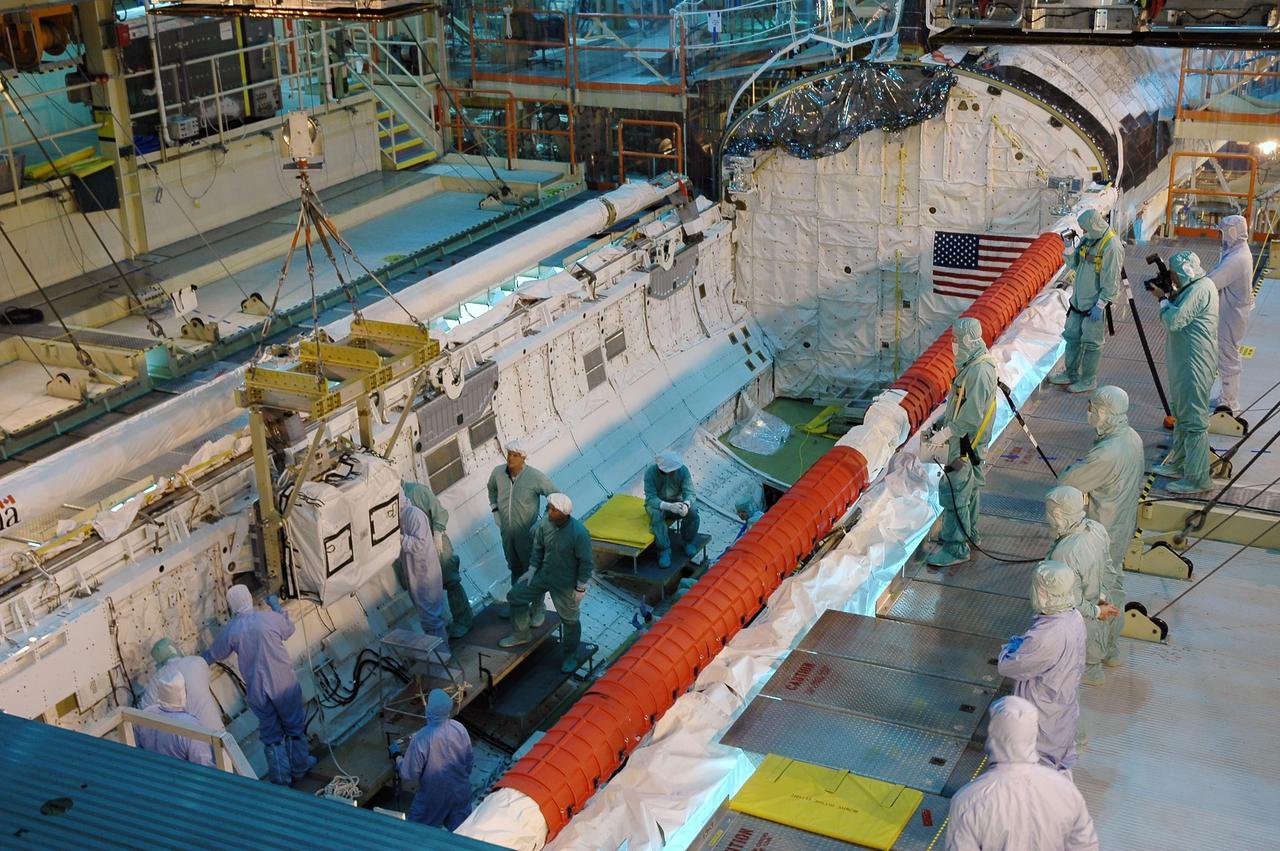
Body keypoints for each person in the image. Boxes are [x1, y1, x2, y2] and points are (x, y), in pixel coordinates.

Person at [944, 696, 1100, 851]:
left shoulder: (968, 800)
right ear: (1033, 735)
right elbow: (1085, 846)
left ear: (993, 734)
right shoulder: (1066, 790)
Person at [1061, 386, 1143, 670]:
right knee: (1115, 587)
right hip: (1121, 529)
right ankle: (1111, 651)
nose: (1089, 413)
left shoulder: (1107, 453)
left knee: (1095, 596)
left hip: (1102, 532)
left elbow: (1069, 483)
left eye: (1092, 408)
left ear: (1105, 412)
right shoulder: (1132, 438)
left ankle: (1092, 663)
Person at [204, 585, 314, 785]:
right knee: (294, 727)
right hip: (283, 684)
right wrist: (275, 605)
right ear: (249, 598)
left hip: (258, 690)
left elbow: (212, 655)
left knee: (271, 735)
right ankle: (300, 767)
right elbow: (288, 628)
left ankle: (281, 779)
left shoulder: (232, 630)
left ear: (232, 605)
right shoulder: (268, 619)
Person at [997, 560, 1086, 772]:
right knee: (1055, 758)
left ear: (1044, 593)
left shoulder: (1047, 635)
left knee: (1034, 766)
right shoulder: (1074, 617)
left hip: (1041, 712)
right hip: (1060, 706)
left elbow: (1010, 666)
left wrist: (1010, 646)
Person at [928, 317, 998, 567]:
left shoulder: (978, 372)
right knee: (969, 489)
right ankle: (970, 534)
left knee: (955, 491)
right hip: (969, 442)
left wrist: (946, 433)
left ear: (968, 340)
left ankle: (956, 547)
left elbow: (971, 416)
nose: (953, 345)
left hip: (966, 444)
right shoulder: (975, 364)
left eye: (956, 340)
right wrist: (943, 422)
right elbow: (960, 403)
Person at [499, 493, 594, 674]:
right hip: (544, 575)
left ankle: (570, 655)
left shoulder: (579, 533)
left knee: (570, 620)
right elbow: (538, 548)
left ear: (564, 513)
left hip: (565, 583)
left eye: (553, 510)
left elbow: (586, 562)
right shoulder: (545, 525)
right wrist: (532, 570)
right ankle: (521, 633)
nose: (548, 512)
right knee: (515, 596)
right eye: (548, 508)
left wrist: (580, 586)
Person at [1153, 250, 1220, 494]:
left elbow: (1174, 320)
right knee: (1181, 414)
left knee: (1193, 421)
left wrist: (1162, 299)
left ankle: (1197, 478)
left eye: (1173, 275)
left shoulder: (1200, 289)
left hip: (1195, 364)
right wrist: (1170, 294)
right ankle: (1180, 462)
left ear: (1184, 272)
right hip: (1184, 361)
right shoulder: (1193, 287)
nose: (1172, 279)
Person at [1045, 486, 1121, 685]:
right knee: (1102, 628)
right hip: (1101, 603)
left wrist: (1096, 611)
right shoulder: (1095, 529)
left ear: (1058, 514)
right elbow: (1110, 568)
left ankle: (1091, 669)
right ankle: (1110, 654)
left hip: (1085, 616)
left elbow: (1071, 600)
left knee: (1087, 638)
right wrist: (1102, 599)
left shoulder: (1065, 553)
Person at [1049, 208, 1121, 394]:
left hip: (1095, 305)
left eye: (1085, 229)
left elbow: (1111, 280)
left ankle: (1089, 379)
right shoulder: (1089, 240)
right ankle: (1071, 373)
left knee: (1091, 343)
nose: (1083, 233)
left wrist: (1101, 303)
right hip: (1078, 302)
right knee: (1072, 337)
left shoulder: (1111, 246)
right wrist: (1069, 247)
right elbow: (1074, 264)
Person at [487, 440, 558, 606]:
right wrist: (495, 509)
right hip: (507, 533)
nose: (510, 458)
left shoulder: (534, 477)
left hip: (527, 535)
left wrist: (543, 522)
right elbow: (491, 488)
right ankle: (518, 605)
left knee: (531, 570)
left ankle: (538, 607)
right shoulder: (498, 473)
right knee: (514, 567)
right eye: (509, 454)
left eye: (515, 455)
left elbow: (556, 496)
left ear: (523, 458)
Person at [404, 480, 475, 638]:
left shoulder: (417, 492)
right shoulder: (392, 503)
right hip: (417, 554)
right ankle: (440, 630)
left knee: (451, 581)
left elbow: (440, 513)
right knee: (427, 590)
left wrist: (437, 535)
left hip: (436, 545)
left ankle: (463, 620)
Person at [396, 688, 474, 830]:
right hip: (460, 791)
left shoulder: (421, 738)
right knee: (462, 833)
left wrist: (398, 757)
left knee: (416, 832)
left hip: (433, 797)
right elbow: (469, 763)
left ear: (429, 709)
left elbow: (408, 774)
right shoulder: (459, 728)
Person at [1209, 214, 1254, 415]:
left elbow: (1212, 282)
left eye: (1225, 233)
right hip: (1232, 311)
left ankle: (1229, 402)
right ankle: (1225, 396)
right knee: (1226, 353)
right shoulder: (1236, 252)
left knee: (1228, 355)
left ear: (1234, 232)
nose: (1223, 237)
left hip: (1232, 314)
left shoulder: (1237, 259)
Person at [134, 668, 216, 768]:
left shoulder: (146, 714)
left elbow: (138, 749)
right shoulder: (191, 726)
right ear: (183, 693)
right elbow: (204, 765)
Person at [141, 638, 224, 733]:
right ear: (174, 649)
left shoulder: (158, 678)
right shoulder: (197, 661)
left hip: (192, 737)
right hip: (217, 727)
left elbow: (144, 709)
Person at [399, 492, 448, 644]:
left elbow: (418, 545)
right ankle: (441, 654)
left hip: (424, 575)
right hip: (419, 574)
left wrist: (398, 538)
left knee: (431, 619)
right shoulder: (404, 517)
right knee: (429, 619)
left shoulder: (413, 515)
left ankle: (442, 657)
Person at [644, 450, 701, 568]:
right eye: (671, 471)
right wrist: (668, 506)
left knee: (693, 514)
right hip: (658, 505)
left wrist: (686, 504)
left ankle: (688, 541)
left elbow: (690, 492)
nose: (674, 473)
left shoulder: (683, 471)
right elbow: (651, 498)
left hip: (678, 502)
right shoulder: (650, 473)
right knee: (656, 516)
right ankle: (664, 550)